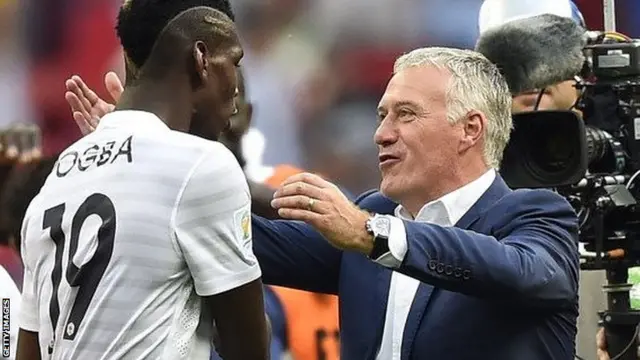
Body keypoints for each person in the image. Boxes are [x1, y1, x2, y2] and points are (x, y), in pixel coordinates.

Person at [66, 46, 579, 359]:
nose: (381, 134)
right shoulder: (370, 219)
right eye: (382, 115)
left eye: (405, 115)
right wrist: (150, 162)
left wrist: (374, 235)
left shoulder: (536, 214)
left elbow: (524, 271)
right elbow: (232, 233)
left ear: (470, 129)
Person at [16, 2, 269, 360]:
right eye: (234, 62)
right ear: (201, 59)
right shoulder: (203, 166)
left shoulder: (56, 180)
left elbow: (29, 352)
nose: (236, 93)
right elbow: (249, 350)